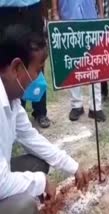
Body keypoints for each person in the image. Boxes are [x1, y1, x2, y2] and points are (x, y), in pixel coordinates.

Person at [0, 24, 88, 214]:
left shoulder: (13, 100)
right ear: (16, 67)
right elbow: (0, 184)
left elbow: (31, 138)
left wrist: (73, 166)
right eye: (38, 70)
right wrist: (41, 181)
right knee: (24, 205)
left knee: (37, 163)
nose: (40, 78)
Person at [51, 0, 106, 122]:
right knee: (73, 63)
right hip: (69, 17)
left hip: (90, 16)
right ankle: (76, 105)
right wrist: (55, 13)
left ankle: (96, 107)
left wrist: (101, 13)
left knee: (94, 62)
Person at [0, 0, 51, 128]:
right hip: (6, 11)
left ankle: (40, 111)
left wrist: (44, 13)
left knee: (36, 59)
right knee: (10, 60)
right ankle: (14, 111)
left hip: (32, 7)